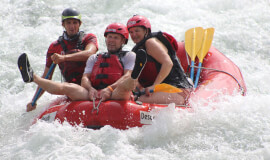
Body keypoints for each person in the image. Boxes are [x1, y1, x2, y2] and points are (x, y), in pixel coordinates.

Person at [18, 23, 135, 111]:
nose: (111, 41)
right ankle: (33, 77)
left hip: (115, 93)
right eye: (109, 37)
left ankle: (138, 70)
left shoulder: (129, 56)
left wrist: (109, 89)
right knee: (67, 87)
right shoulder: (94, 58)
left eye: (116, 38)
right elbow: (85, 78)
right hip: (94, 94)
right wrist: (90, 89)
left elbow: (127, 75)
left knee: (124, 86)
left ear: (123, 41)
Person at [26, 8, 98, 111]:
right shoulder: (55, 47)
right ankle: (32, 76)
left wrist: (64, 58)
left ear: (80, 24)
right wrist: (34, 100)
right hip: (71, 89)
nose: (72, 26)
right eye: (68, 23)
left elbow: (90, 53)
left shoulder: (89, 38)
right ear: (63, 24)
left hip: (91, 87)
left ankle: (33, 77)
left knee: (68, 87)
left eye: (75, 23)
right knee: (66, 86)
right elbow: (47, 76)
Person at [110, 15, 193, 105]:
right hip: (164, 89)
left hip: (178, 90)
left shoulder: (150, 42)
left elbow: (168, 63)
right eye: (131, 32)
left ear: (146, 30)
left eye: (137, 31)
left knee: (137, 101)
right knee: (133, 96)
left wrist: (154, 86)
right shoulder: (137, 50)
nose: (134, 35)